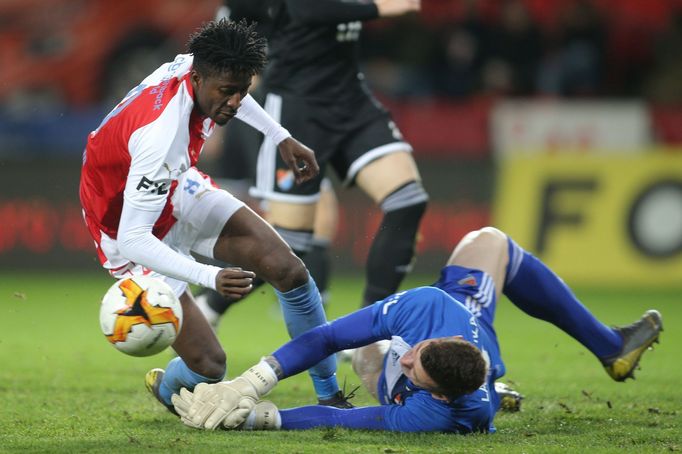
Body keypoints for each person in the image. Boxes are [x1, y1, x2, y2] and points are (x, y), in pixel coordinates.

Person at [79, 19, 347, 413]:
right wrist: (210, 275)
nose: (235, 102)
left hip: (175, 188)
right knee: (209, 367)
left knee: (289, 271)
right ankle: (168, 387)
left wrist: (280, 136)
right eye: (226, 93)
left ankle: (330, 396)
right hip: (125, 226)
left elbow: (233, 88)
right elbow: (136, 238)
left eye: (242, 91)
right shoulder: (160, 137)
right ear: (199, 78)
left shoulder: (198, 66)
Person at [170, 226, 663, 433]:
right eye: (416, 354)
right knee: (491, 240)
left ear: (439, 397)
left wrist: (265, 419)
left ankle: (499, 389)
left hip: (472, 376)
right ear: (437, 340)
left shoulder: (434, 416)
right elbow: (327, 336)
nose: (406, 359)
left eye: (414, 371)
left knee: (368, 355)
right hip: (465, 314)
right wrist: (254, 380)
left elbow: (344, 422)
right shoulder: (427, 310)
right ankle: (609, 346)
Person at [198, 0, 429, 329]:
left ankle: (373, 328)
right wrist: (378, 7)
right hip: (297, 111)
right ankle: (210, 304)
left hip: (352, 102)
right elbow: (304, 9)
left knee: (408, 201)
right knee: (291, 242)